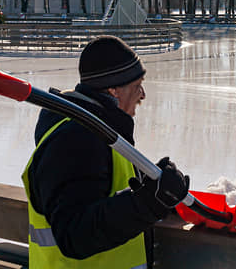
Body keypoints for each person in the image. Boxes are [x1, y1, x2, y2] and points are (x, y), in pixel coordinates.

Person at [22, 35, 190, 268]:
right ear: (113, 91)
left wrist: (156, 195)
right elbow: (74, 235)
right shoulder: (77, 139)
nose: (142, 95)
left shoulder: (98, 133)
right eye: (136, 85)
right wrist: (147, 204)